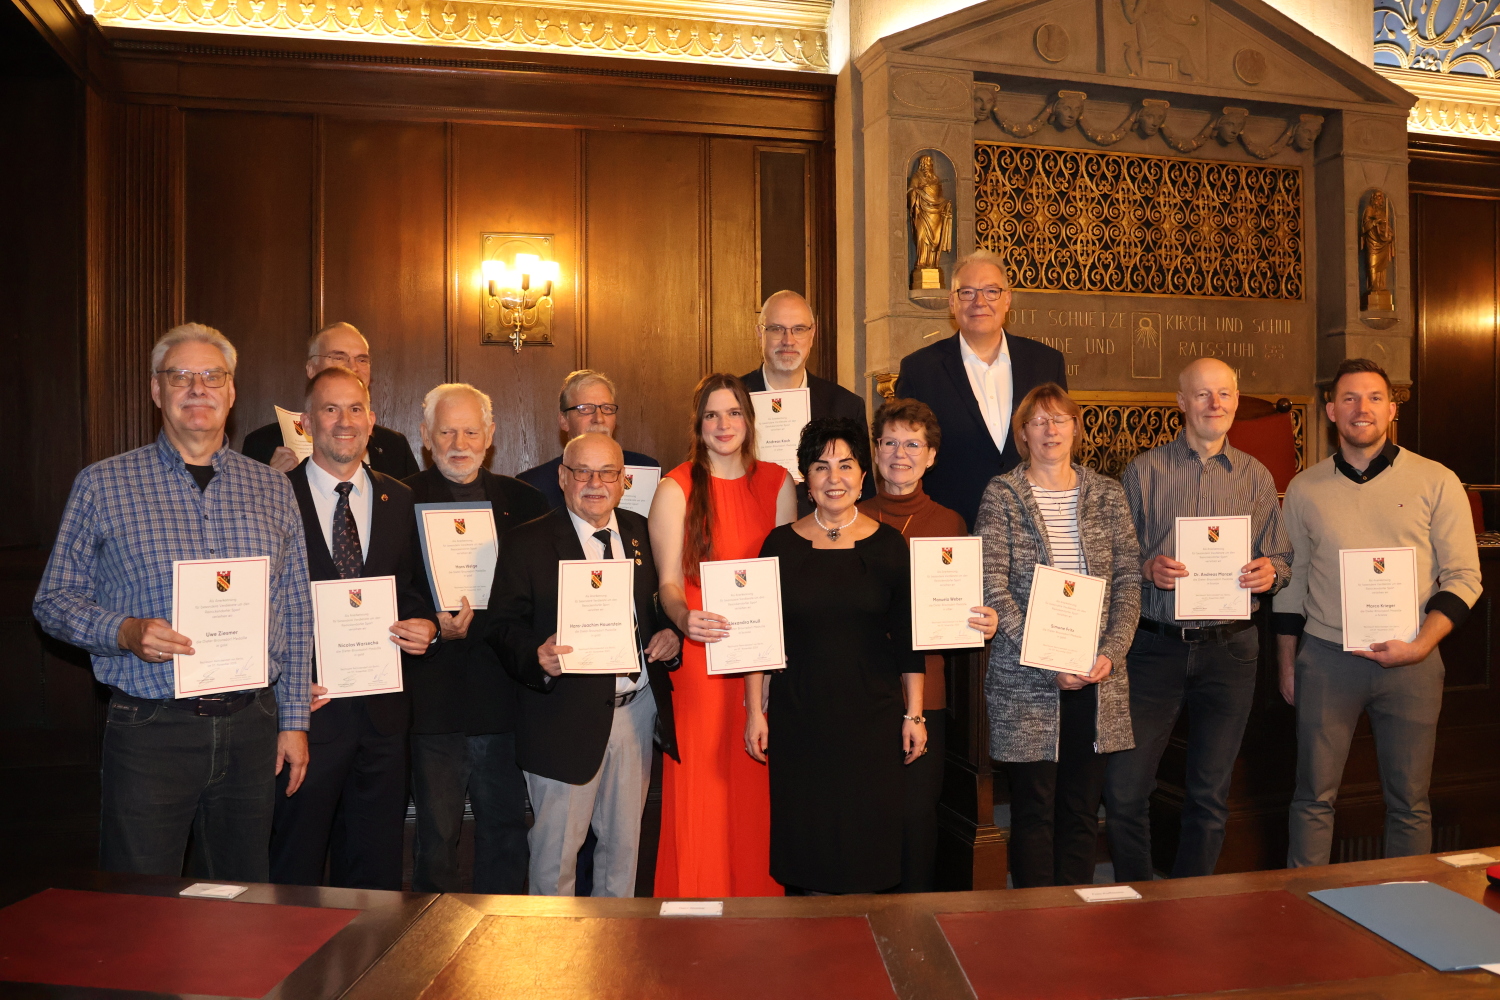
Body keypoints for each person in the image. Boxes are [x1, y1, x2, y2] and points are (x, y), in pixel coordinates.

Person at [34, 323, 313, 881]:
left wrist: (294, 719)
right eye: (179, 376)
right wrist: (124, 630)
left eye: (212, 376)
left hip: (251, 727)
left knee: (240, 902)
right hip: (151, 730)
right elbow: (53, 600)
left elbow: (296, 609)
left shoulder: (272, 488)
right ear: (156, 391)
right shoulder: (103, 484)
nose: (197, 388)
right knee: (140, 905)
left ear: (231, 392)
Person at [1275, 358, 1482, 867]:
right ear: (1330, 411)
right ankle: (1307, 909)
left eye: (1372, 398)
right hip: (1326, 660)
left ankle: (1404, 908)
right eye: (1348, 398)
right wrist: (1287, 663)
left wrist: (1421, 646)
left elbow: (1464, 578)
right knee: (1312, 798)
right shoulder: (1304, 489)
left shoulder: (1438, 481)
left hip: (1413, 662)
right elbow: (1292, 582)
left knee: (1409, 802)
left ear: (1392, 409)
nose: (1360, 408)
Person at [1101, 358, 1292, 881]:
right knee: (1124, 790)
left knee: (1210, 794)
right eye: (1203, 394)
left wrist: (1270, 572)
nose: (1216, 403)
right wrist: (1145, 567)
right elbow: (1115, 556)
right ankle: (1137, 899)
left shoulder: (1257, 477)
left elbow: (1284, 560)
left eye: (1225, 393)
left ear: (1235, 398)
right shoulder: (1144, 471)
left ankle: (1189, 903)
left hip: (1231, 651)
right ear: (1181, 402)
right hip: (1155, 648)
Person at [487, 433, 681, 896]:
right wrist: (536, 656)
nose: (595, 483)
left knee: (623, 855)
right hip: (561, 721)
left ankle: (614, 960)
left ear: (623, 479)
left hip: (635, 715)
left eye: (607, 472)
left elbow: (658, 610)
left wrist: (671, 636)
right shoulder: (527, 542)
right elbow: (500, 626)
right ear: (562, 477)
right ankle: (550, 964)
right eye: (582, 472)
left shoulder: (642, 534)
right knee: (556, 859)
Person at [269, 366, 437, 890]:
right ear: (305, 423)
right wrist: (283, 682)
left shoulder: (399, 498)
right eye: (330, 409)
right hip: (308, 714)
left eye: (356, 409)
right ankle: (293, 969)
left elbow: (410, 588)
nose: (345, 422)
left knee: (375, 868)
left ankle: (370, 967)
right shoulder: (273, 496)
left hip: (384, 717)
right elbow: (259, 605)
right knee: (294, 862)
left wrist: (426, 625)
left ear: (373, 420)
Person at [747, 417, 926, 894]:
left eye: (845, 466)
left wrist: (915, 715)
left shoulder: (889, 546)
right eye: (821, 467)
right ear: (805, 478)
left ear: (863, 476)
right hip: (799, 714)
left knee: (868, 849)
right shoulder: (779, 545)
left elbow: (908, 639)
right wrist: (753, 712)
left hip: (872, 716)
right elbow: (759, 635)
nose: (834, 478)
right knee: (805, 848)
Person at [974, 383, 1139, 888]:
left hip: (1096, 677)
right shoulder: (1001, 495)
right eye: (1038, 422)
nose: (1050, 430)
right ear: (1023, 434)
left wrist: (1109, 655)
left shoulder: (1107, 494)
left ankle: (1075, 915)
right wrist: (1049, 660)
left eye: (1060, 420)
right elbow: (993, 586)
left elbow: (1130, 582)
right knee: (1034, 810)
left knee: (1082, 810)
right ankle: (1032, 919)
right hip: (1028, 681)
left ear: (1075, 429)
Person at [647, 373, 796, 898]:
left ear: (749, 422)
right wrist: (684, 619)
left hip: (760, 661)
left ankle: (759, 914)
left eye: (733, 413)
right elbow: (667, 584)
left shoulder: (779, 484)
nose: (723, 424)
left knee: (756, 787)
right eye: (712, 414)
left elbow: (784, 583)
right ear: (698, 425)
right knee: (703, 793)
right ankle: (697, 907)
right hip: (702, 661)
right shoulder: (676, 486)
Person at [405, 383, 550, 894]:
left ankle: (502, 949)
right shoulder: (398, 499)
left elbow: (539, 597)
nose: (458, 441)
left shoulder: (528, 503)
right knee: (436, 838)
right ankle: (427, 946)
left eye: (470, 430)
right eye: (446, 430)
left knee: (506, 833)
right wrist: (429, 620)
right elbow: (390, 589)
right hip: (431, 703)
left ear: (490, 435)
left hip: (504, 700)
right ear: (425, 437)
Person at [859, 397, 998, 892]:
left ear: (931, 456)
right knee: (870, 813)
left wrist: (982, 618)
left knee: (918, 817)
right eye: (890, 442)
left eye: (913, 444)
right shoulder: (852, 520)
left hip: (930, 698)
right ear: (875, 452)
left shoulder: (952, 525)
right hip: (865, 692)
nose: (901, 454)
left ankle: (917, 923)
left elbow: (965, 608)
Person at [895, 250, 1068, 530]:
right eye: (967, 292)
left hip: (1034, 529)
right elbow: (905, 455)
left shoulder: (1046, 363)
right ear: (952, 302)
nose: (979, 302)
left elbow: (1060, 445)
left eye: (991, 291)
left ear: (1007, 299)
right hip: (952, 530)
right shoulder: (920, 370)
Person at [740, 291, 871, 512]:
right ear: (759, 333)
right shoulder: (731, 401)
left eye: (799, 329)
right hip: (746, 527)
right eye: (776, 329)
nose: (788, 340)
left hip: (821, 536)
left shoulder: (846, 406)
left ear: (813, 334)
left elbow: (863, 494)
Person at [241, 322, 420, 479]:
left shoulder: (394, 446)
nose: (353, 368)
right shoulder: (262, 444)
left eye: (362, 359)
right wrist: (270, 482)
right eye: (339, 357)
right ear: (311, 369)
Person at [517, 369, 659, 510]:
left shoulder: (647, 470)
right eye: (585, 409)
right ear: (564, 421)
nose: (599, 418)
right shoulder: (532, 486)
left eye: (607, 409)